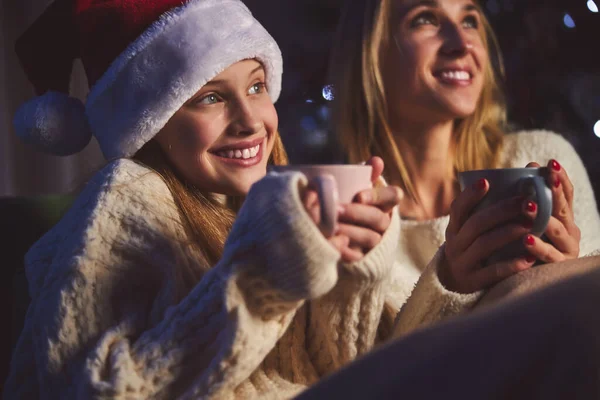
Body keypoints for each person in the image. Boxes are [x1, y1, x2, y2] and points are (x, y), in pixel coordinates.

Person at [3, 0, 474, 398]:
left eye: (256, 86)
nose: (251, 120)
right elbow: (82, 388)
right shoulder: (126, 199)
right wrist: (259, 277)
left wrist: (365, 274)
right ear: (153, 121)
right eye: (210, 98)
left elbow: (356, 373)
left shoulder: (271, 201)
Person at [329, 0, 600, 333]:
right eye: (425, 19)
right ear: (371, 53)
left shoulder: (540, 155)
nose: (463, 42)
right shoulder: (353, 219)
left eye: (470, 20)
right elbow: (375, 379)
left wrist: (568, 275)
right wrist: (449, 285)